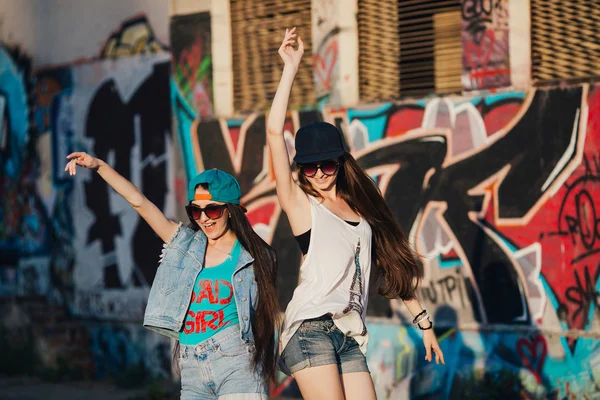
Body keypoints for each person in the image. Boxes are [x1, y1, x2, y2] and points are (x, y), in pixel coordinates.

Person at [266, 28, 446, 400]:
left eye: (327, 165)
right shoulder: (303, 207)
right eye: (309, 168)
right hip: (309, 330)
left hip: (349, 333)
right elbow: (272, 133)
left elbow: (391, 265)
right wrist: (290, 68)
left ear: (340, 163)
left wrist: (424, 323)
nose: (318, 174)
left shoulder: (362, 212)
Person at [65, 153, 278, 400]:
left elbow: (262, 317)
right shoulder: (184, 245)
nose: (204, 219)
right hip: (191, 368)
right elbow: (139, 202)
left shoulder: (254, 257)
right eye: (195, 211)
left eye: (212, 210)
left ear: (231, 210)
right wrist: (99, 166)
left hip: (235, 363)